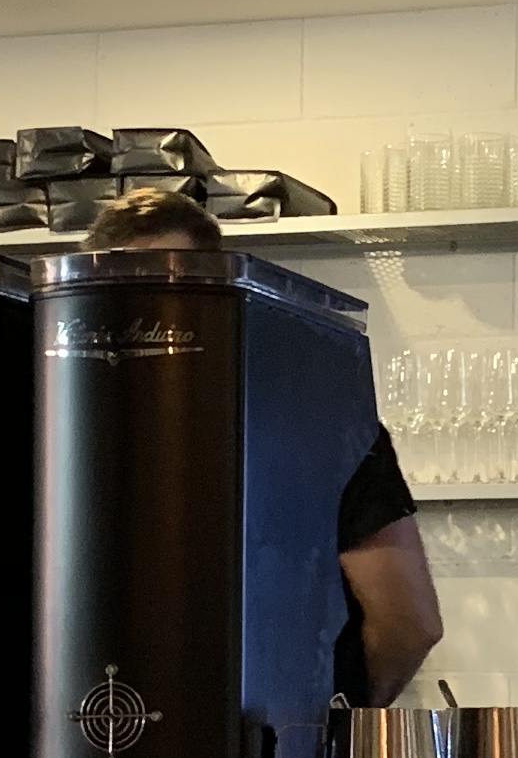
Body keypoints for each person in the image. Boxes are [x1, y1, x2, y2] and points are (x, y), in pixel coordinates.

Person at [78, 187, 443, 704]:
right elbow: (409, 622)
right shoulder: (319, 415)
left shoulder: (56, 427)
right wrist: (335, 718)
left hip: (112, 724)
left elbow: (410, 623)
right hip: (269, 728)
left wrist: (337, 716)